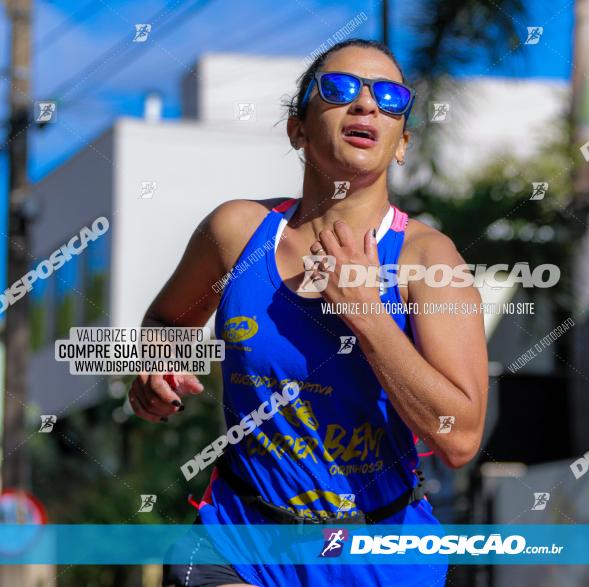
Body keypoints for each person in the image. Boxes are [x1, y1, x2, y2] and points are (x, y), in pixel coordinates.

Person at [128, 38, 489, 587]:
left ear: (401, 145)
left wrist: (367, 315)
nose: (367, 106)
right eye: (340, 89)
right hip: (240, 538)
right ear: (297, 129)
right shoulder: (236, 232)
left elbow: (460, 438)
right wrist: (155, 366)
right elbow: (166, 325)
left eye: (389, 97)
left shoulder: (427, 259)